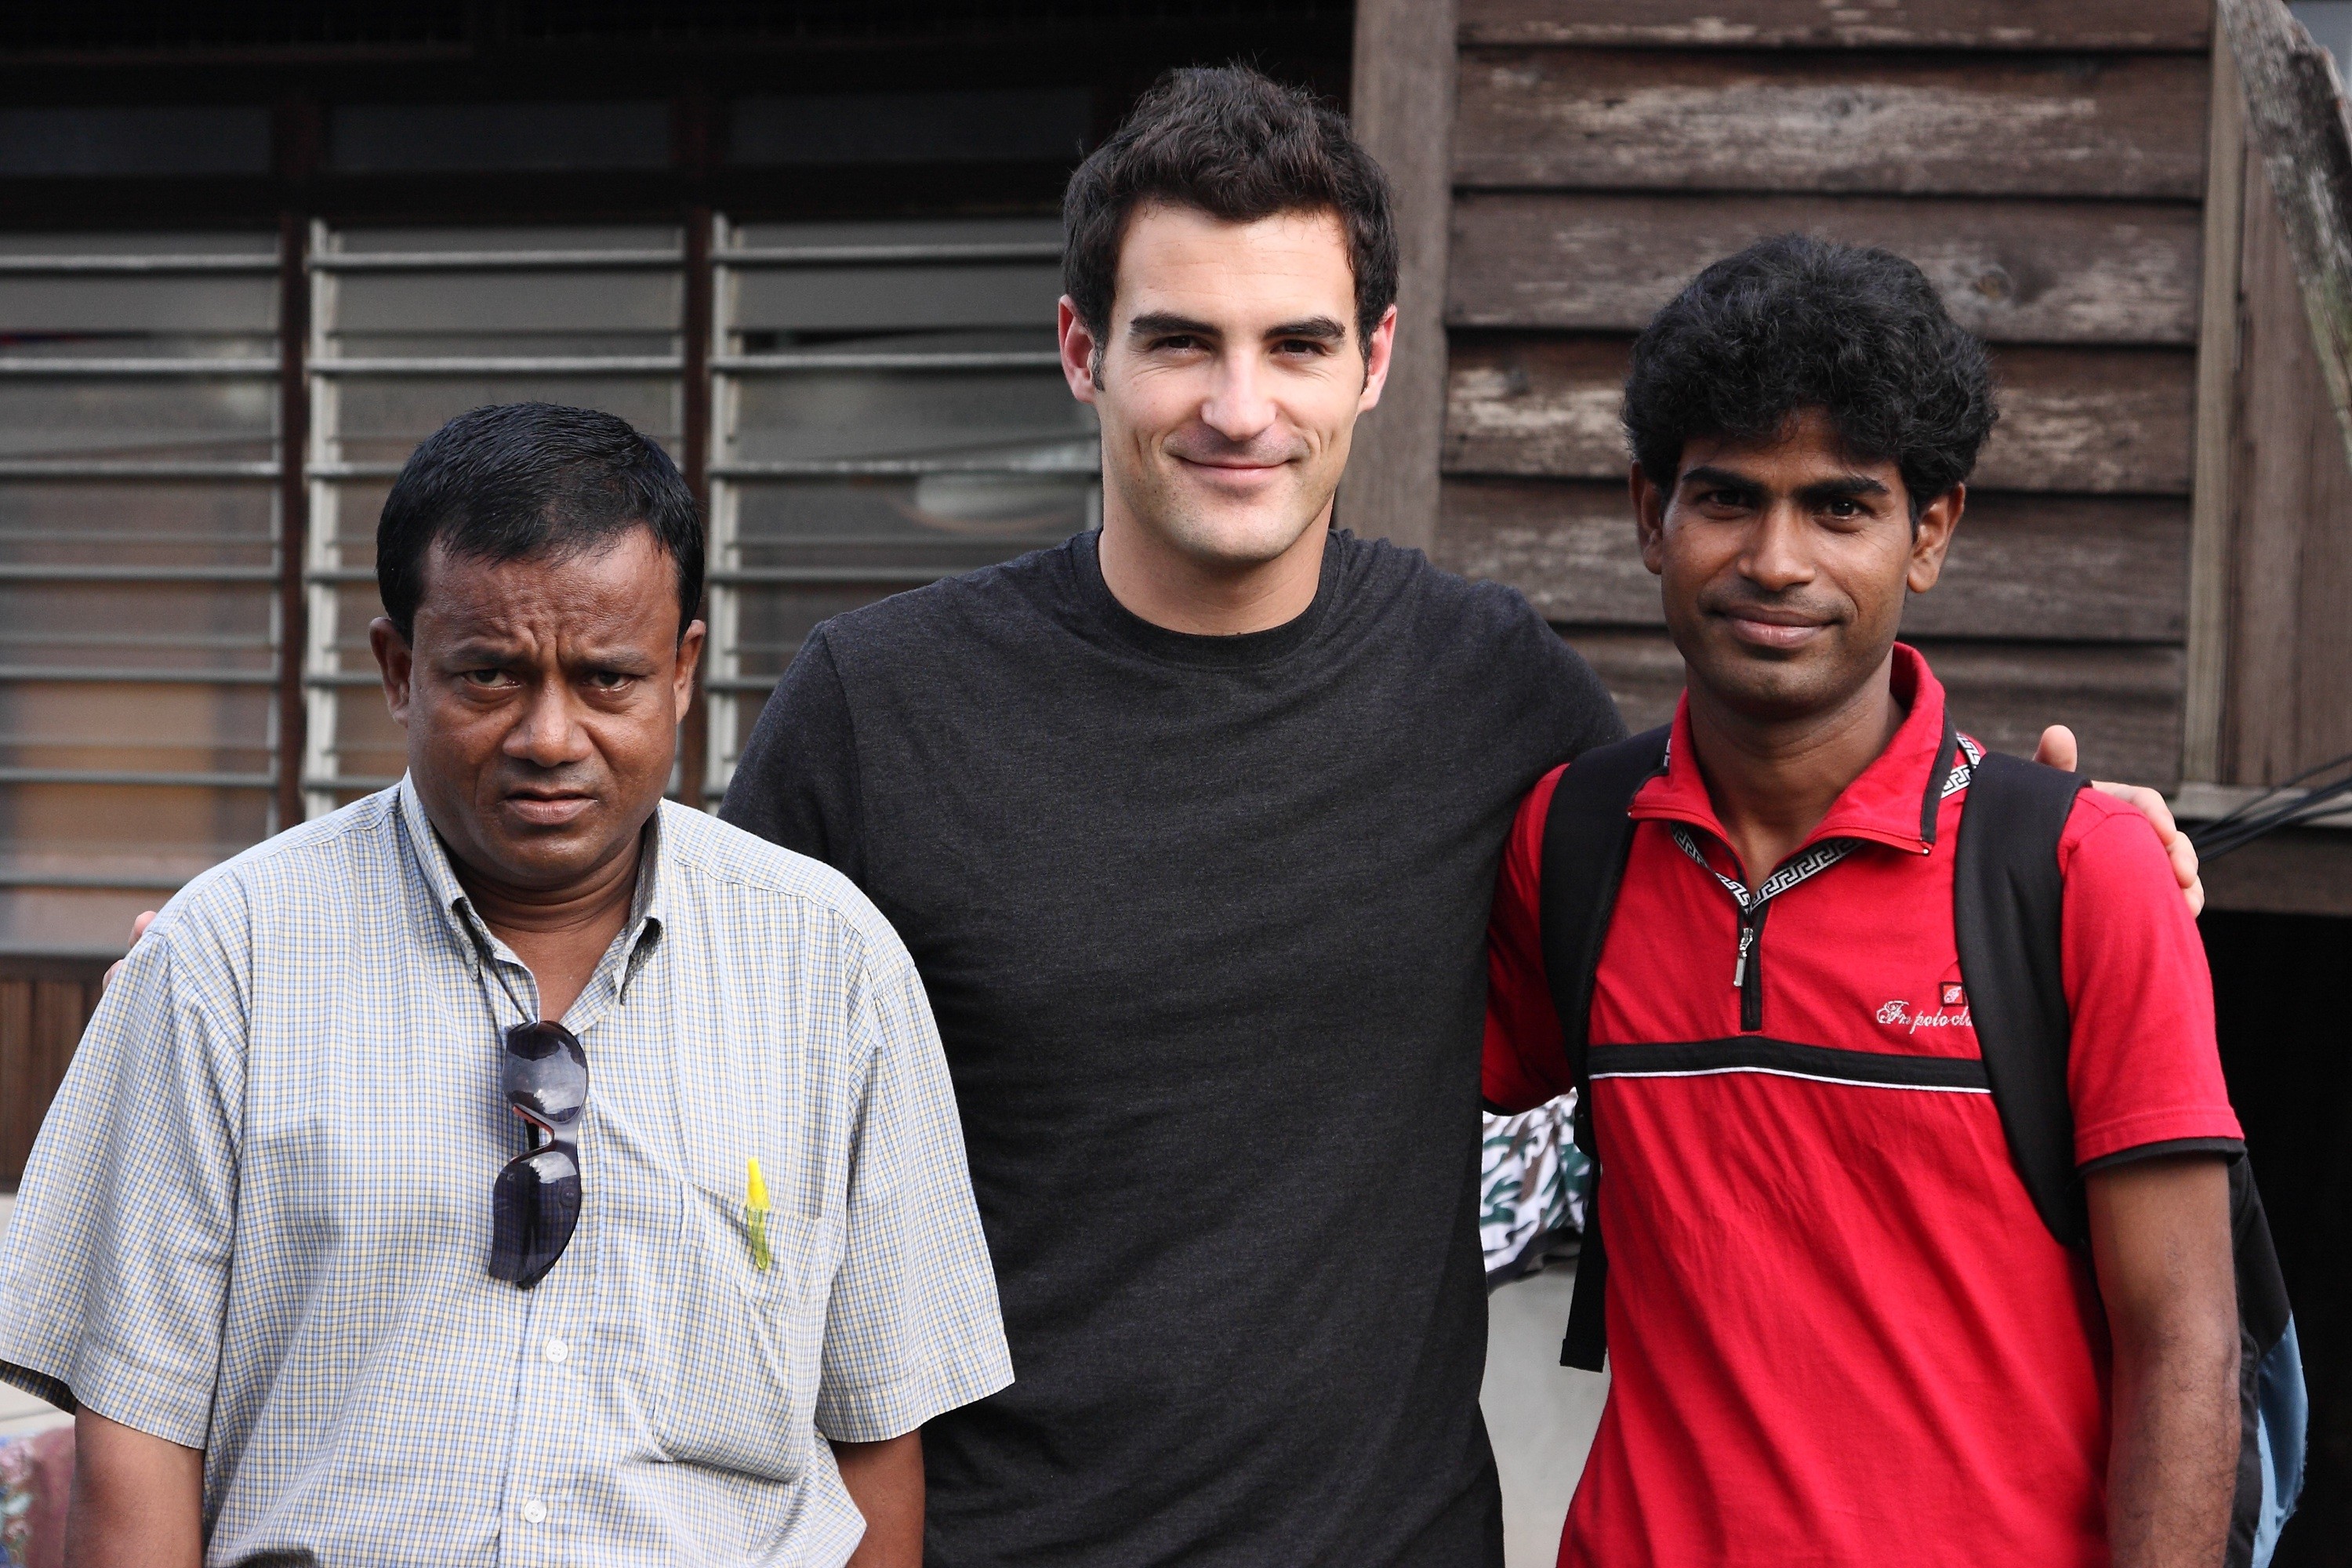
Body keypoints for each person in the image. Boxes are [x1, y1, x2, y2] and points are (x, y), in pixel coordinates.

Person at [717, 69, 2203, 1566]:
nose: (1242, 408)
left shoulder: (1492, 691)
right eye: (1181, 343)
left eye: (1295, 344)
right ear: (1080, 351)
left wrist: (2054, 848)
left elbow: (1769, 810)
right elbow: (717, 1174)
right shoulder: (874, 710)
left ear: (1370, 363)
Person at [0, 403, 1010, 1567]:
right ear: (398, 667)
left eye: (606, 678)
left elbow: (878, 1439)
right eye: (488, 675)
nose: (548, 734)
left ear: (681, 673)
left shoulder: (835, 973)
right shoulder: (222, 965)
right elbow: (134, 1442)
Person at [1482, 236, 2244, 1566]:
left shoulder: (2074, 877)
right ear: (1647, 511)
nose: (1776, 560)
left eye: (1840, 507)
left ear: (1929, 531)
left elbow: (2184, 1340)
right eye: (1727, 498)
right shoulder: (1573, 845)